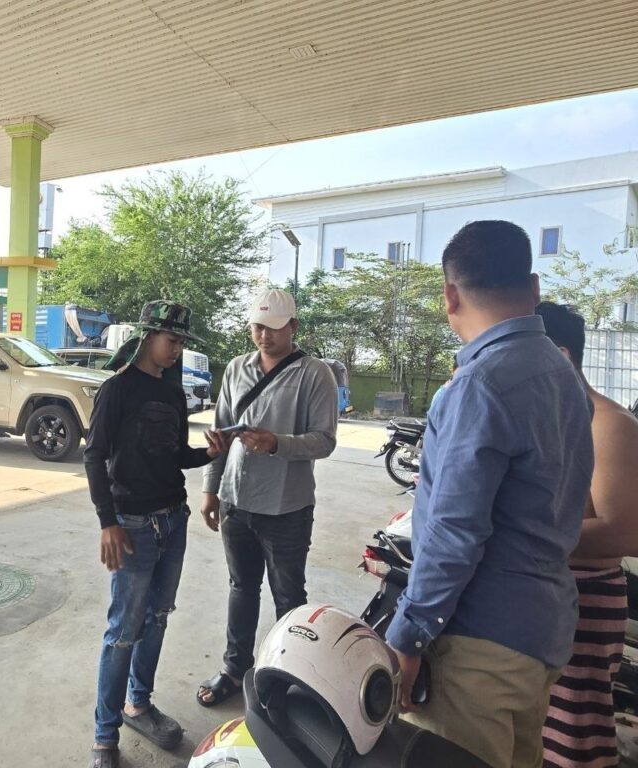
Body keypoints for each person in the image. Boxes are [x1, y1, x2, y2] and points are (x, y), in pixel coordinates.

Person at [385, 221, 594, 768]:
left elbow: (454, 531)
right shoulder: (563, 373)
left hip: (478, 645)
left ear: (450, 296)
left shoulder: (479, 384)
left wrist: (408, 635)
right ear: (534, 287)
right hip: (542, 632)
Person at [84, 300, 229, 768]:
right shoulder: (117, 389)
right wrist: (107, 522)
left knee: (158, 618)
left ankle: (138, 704)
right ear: (146, 337)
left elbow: (175, 455)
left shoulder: (173, 394)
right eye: (172, 340)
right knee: (122, 631)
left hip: (173, 519)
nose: (177, 349)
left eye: (182, 342)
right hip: (131, 526)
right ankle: (104, 736)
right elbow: (93, 455)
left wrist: (209, 454)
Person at [197, 288, 338, 707]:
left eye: (274, 328)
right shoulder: (236, 368)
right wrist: (210, 489)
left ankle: (289, 676)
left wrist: (277, 443)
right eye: (257, 327)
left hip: (286, 508)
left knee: (289, 596)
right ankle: (234, 668)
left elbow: (325, 440)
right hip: (236, 501)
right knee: (242, 588)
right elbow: (220, 433)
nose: (264, 336)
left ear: (293, 326)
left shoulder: (314, 374)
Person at [537, 301, 638, 767]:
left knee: (574, 736)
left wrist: (519, 536)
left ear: (560, 357)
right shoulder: (547, 420)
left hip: (586, 601)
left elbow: (623, 532)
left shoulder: (609, 426)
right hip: (536, 595)